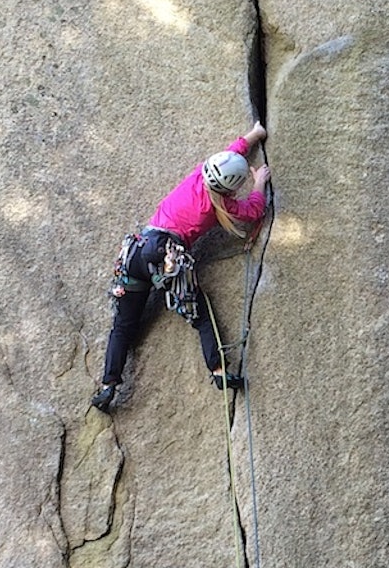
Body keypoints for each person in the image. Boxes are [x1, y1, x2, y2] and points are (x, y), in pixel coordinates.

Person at [92, 122, 271, 414]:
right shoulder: (223, 206)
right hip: (167, 257)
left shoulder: (198, 176)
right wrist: (259, 181)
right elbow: (254, 210)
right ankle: (218, 370)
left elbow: (231, 151)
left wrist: (255, 134)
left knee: (123, 327)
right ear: (232, 188)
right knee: (201, 315)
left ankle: (108, 385)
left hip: (137, 252)